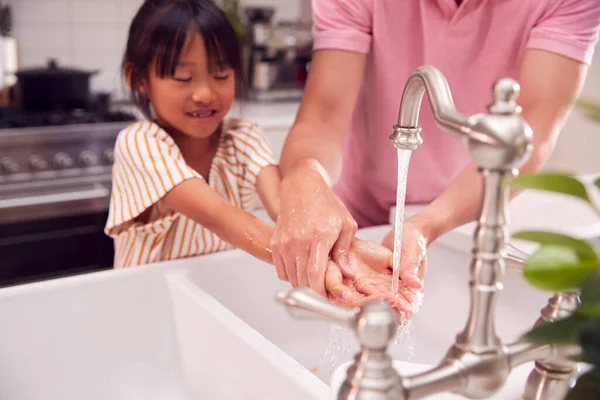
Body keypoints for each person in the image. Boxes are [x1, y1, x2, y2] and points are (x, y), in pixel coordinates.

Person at [271, 0, 600, 298]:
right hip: (358, 215)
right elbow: (323, 115)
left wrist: (424, 225)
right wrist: (305, 177)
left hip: (469, 214)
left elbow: (529, 133)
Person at [104, 0, 414, 312]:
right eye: (183, 78)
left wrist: (351, 253)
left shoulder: (243, 137)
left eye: (221, 75)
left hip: (208, 307)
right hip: (143, 310)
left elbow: (288, 210)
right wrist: (318, 266)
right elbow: (219, 218)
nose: (205, 93)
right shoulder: (140, 144)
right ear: (138, 79)